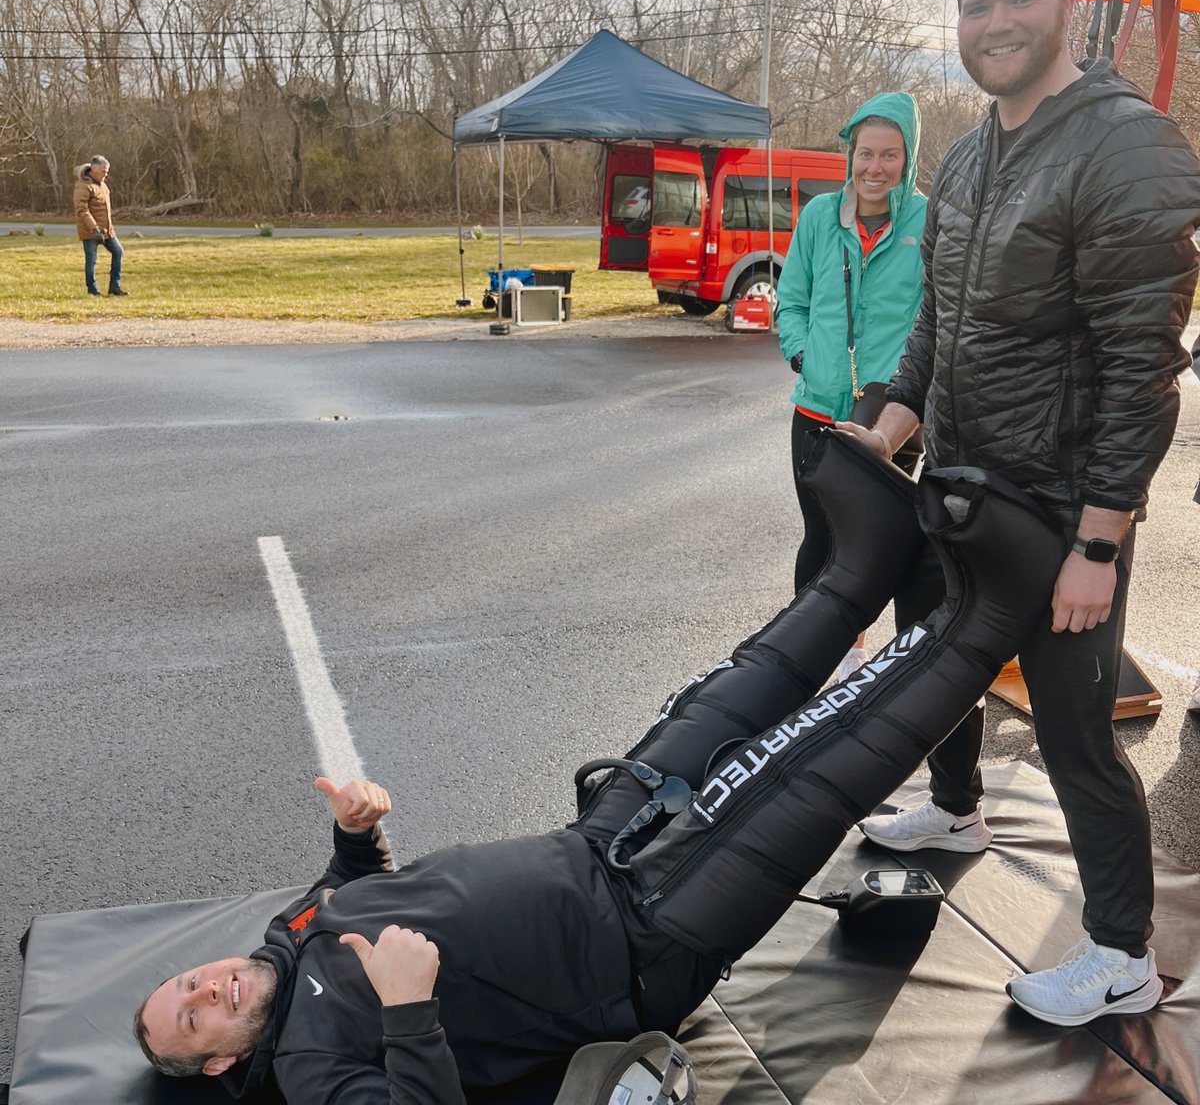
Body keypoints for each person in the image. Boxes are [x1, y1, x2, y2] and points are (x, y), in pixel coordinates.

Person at [131, 433, 1073, 1102]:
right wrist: (410, 1010)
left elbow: (354, 883)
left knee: (731, 693)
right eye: (195, 1018)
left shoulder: (285, 937)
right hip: (644, 935)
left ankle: (863, 565)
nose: (205, 990)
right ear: (218, 1062)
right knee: (813, 760)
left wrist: (355, 831)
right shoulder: (310, 1067)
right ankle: (995, 608)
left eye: (186, 984)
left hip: (593, 844)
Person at [841, 0, 1200, 1026]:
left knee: (1077, 733)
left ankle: (1120, 954)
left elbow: (1143, 368)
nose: (994, 24)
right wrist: (890, 426)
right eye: (975, 5)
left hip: (1055, 512)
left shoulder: (1128, 147)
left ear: (1066, 8)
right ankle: (956, 810)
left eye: (1017, 0)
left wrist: (1099, 541)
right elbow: (935, 321)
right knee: (937, 667)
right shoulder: (965, 155)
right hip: (957, 487)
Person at [776, 92, 926, 684]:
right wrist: (802, 354)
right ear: (850, 155)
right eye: (866, 153)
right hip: (817, 407)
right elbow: (791, 301)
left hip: (892, 415)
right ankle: (808, 655)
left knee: (871, 542)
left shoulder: (927, 220)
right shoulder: (819, 217)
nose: (875, 168)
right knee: (820, 537)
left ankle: (859, 655)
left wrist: (910, 384)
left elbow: (937, 314)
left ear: (908, 158)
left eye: (890, 155)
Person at [72, 155, 127, 297]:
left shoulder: (102, 185)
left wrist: (108, 229)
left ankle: (114, 286)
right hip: (90, 231)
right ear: (94, 169)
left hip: (107, 230)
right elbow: (82, 210)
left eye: (107, 171)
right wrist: (94, 229)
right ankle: (92, 290)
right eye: (103, 171)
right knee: (91, 260)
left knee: (118, 252)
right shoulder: (83, 186)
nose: (106, 174)